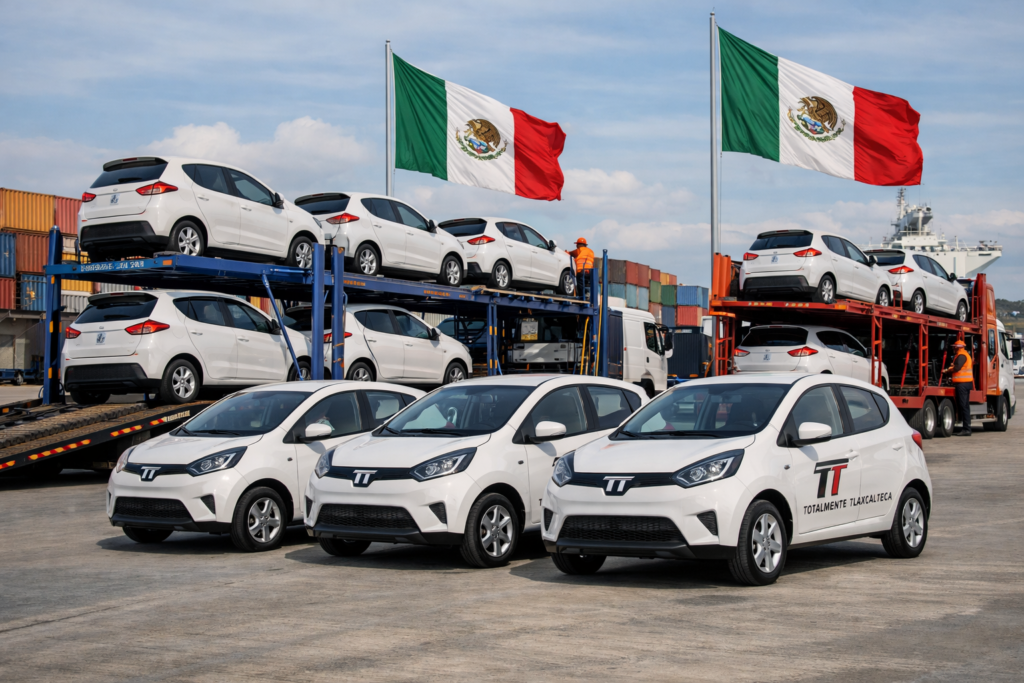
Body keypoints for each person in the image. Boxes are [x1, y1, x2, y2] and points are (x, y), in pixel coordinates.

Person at [946, 339, 973, 436]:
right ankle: (967, 428)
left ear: (958, 347)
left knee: (963, 406)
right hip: (965, 383)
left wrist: (948, 370)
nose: (953, 348)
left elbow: (957, 368)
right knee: (965, 406)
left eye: (954, 347)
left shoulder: (962, 356)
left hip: (962, 384)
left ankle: (966, 429)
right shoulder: (964, 355)